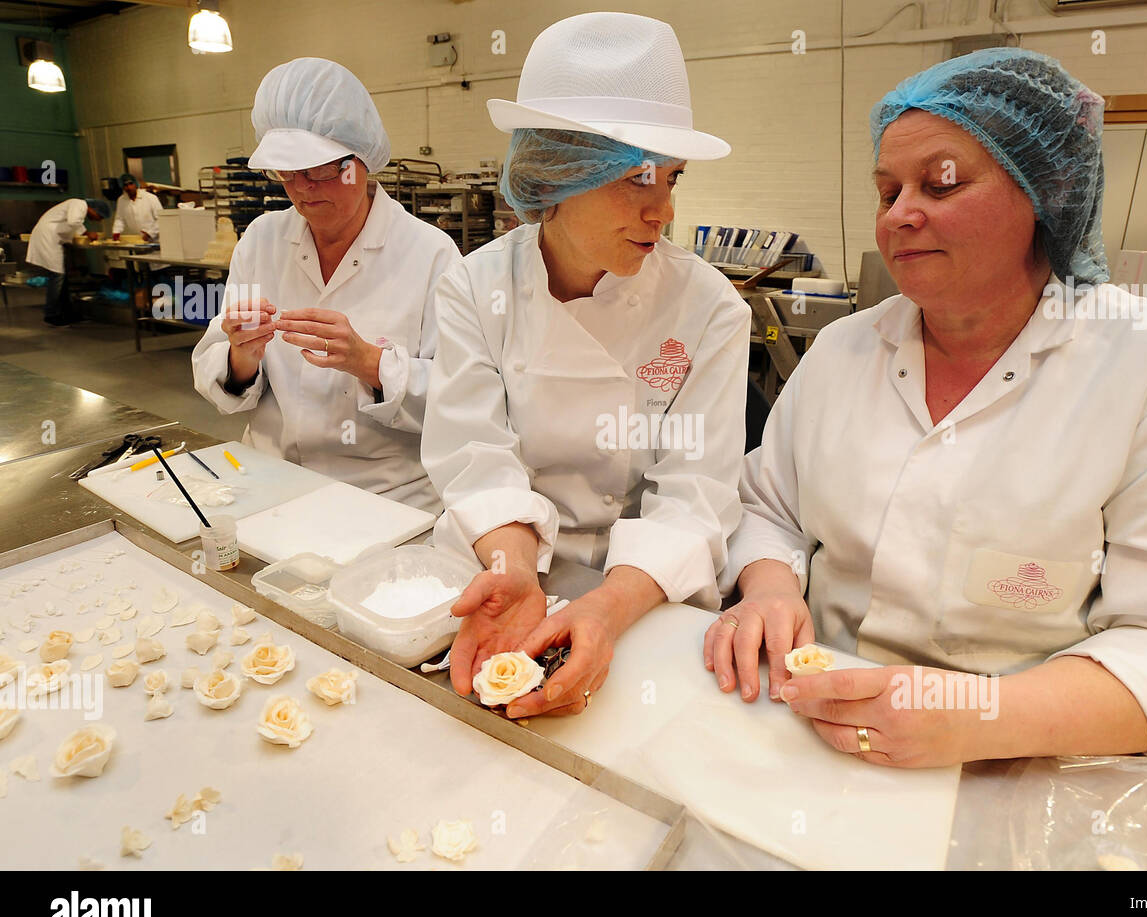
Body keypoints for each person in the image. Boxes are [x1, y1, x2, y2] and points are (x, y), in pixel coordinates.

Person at [706, 48, 1147, 768]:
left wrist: (982, 716)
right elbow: (769, 506)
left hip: (1033, 769)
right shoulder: (842, 352)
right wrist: (767, 589)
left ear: (1044, 190)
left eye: (940, 183)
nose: (900, 216)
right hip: (813, 723)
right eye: (888, 192)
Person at [422, 12, 750, 718]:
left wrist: (605, 608)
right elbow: (474, 452)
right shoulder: (475, 288)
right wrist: (513, 570)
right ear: (556, 177)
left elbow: (695, 493)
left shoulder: (710, 309)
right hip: (498, 570)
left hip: (637, 590)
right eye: (636, 180)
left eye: (673, 179)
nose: (662, 211)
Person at [192, 58, 461, 509]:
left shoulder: (430, 254)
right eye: (285, 172)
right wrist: (242, 355)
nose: (301, 189)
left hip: (384, 497)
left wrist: (371, 363)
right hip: (268, 480)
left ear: (362, 160)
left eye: (318, 170)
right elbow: (220, 372)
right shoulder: (260, 240)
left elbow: (462, 394)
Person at [25, 197, 102, 327]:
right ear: (94, 209)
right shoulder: (79, 204)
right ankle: (51, 314)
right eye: (98, 216)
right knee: (57, 276)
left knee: (61, 277)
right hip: (48, 239)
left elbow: (67, 227)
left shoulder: (76, 208)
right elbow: (73, 222)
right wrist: (88, 234)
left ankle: (66, 312)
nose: (97, 219)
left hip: (51, 239)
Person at [111, 174, 162, 242]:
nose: (129, 187)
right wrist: (116, 232)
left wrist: (149, 233)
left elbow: (161, 219)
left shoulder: (150, 198)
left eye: (131, 184)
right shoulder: (121, 200)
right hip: (137, 240)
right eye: (125, 185)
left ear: (135, 184)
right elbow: (119, 219)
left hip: (155, 240)